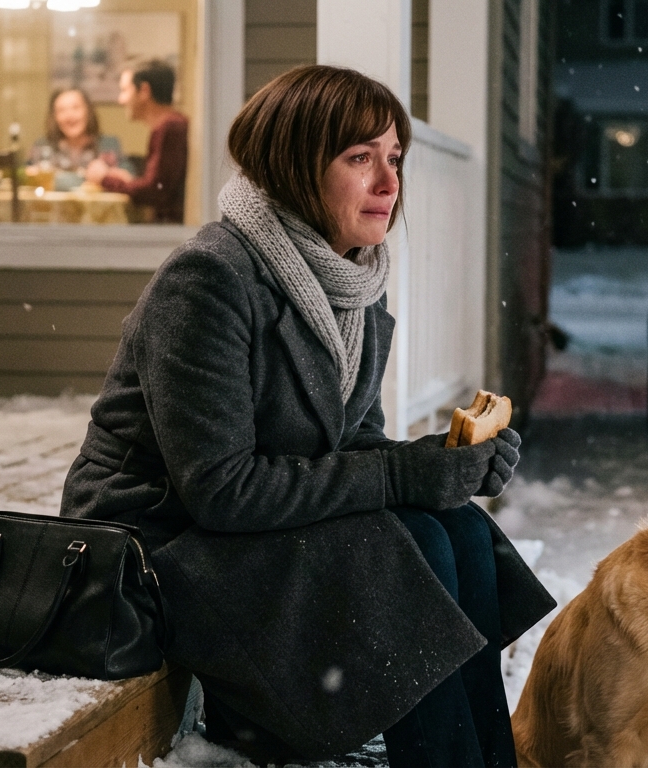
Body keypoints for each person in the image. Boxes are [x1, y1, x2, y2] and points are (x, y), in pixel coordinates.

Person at [60, 64, 554, 768]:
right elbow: (220, 488)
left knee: (456, 531)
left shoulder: (355, 286)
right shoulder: (210, 280)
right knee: (407, 547)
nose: (388, 183)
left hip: (243, 519)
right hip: (158, 538)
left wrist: (447, 467)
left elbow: (351, 442)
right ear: (295, 168)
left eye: (394, 159)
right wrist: (401, 478)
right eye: (360, 159)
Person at [85, 59, 188, 222]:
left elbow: (155, 191)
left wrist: (104, 178)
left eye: (125, 90)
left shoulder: (170, 127)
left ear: (144, 91)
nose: (121, 100)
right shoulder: (167, 125)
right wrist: (128, 181)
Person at [27, 88, 129, 192]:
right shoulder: (42, 146)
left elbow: (130, 179)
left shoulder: (108, 144)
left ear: (88, 111)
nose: (69, 116)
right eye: (62, 110)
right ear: (54, 117)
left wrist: (107, 173)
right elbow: (24, 180)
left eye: (76, 108)